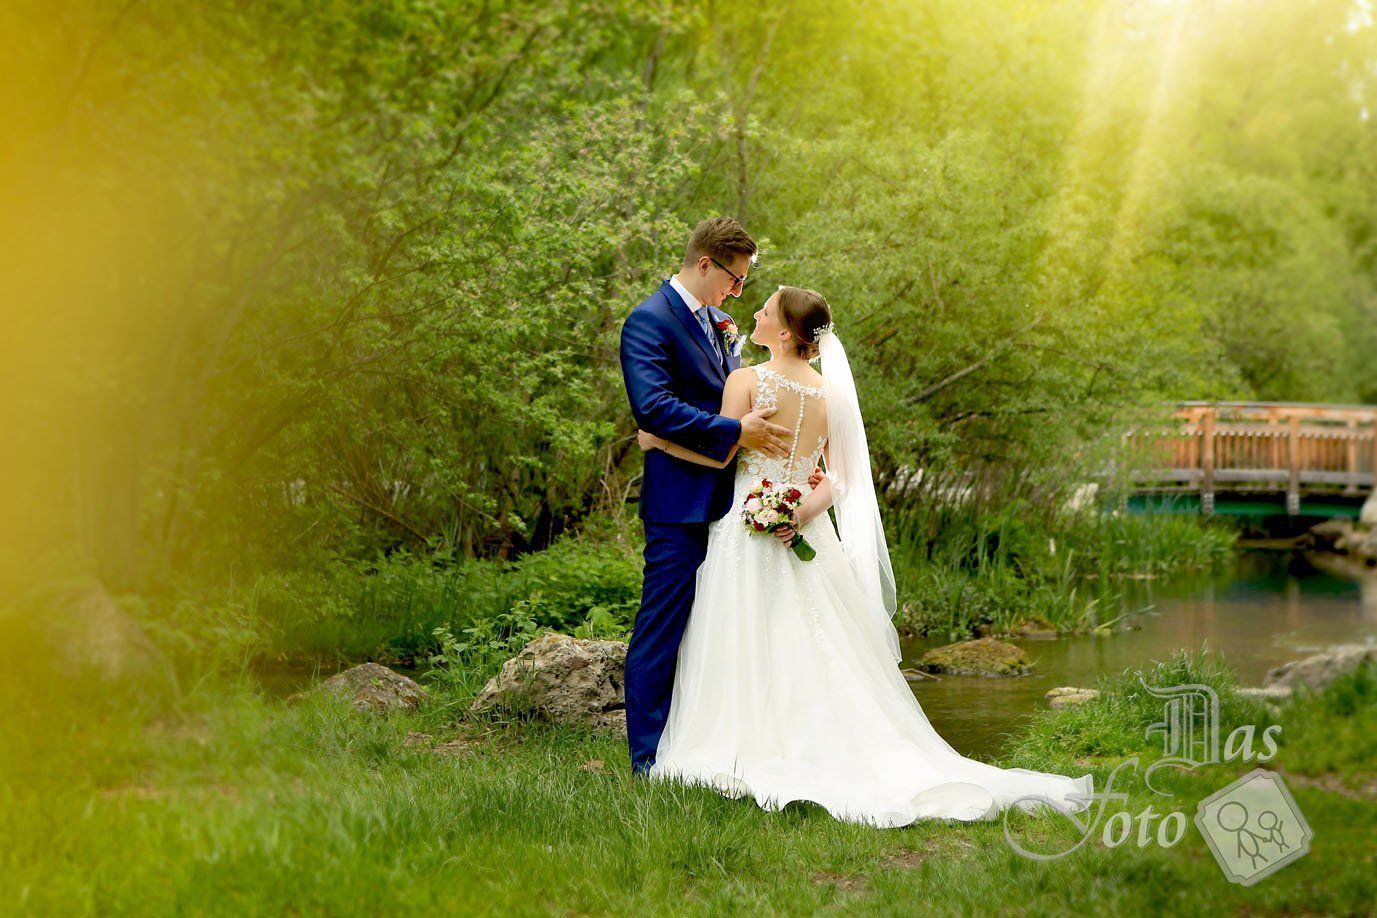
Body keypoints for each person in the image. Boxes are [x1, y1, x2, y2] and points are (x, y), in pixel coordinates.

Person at [633, 285, 1094, 827]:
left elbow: (721, 456)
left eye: (766, 310)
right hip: (802, 530)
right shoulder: (829, 394)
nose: (755, 312)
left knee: (745, 635)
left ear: (786, 331)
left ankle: (746, 742)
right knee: (813, 639)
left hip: (746, 531)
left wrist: (659, 443)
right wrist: (799, 512)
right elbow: (842, 477)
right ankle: (814, 740)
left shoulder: (746, 381)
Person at [618, 217, 807, 777]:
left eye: (744, 282)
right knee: (662, 627)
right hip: (679, 503)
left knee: (719, 628)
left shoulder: (716, 323)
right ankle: (647, 759)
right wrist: (735, 432)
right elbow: (652, 407)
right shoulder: (649, 320)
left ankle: (702, 745)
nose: (738, 292)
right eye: (734, 279)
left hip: (731, 503)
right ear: (705, 264)